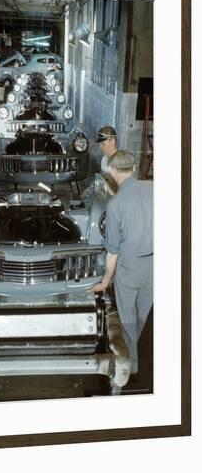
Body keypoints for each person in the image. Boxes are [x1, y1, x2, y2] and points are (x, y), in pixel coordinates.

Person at [91, 150, 153, 375]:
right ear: (134, 168)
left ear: (113, 171)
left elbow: (113, 252)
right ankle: (134, 357)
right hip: (154, 266)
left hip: (130, 268)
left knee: (127, 320)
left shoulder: (116, 204)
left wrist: (105, 282)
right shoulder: (154, 192)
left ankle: (131, 367)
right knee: (142, 315)